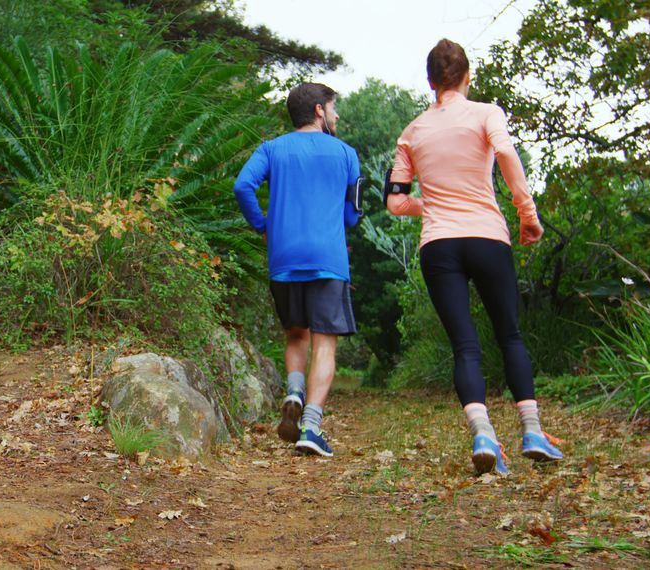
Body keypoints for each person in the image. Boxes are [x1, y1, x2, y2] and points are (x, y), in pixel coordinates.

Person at [386, 39, 564, 475]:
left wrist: (436, 205)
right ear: (468, 77)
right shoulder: (487, 113)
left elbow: (395, 201)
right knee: (510, 336)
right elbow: (505, 153)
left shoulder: (411, 132)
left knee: (465, 346)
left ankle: (483, 434)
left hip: (439, 246)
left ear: (430, 82)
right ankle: (531, 431)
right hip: (487, 236)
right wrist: (527, 213)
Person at [234, 83, 361, 456]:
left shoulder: (272, 148)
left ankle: (293, 391)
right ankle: (311, 426)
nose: (337, 116)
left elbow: (243, 185)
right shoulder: (346, 154)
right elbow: (352, 214)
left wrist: (263, 224)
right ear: (319, 111)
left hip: (284, 258)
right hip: (328, 258)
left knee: (295, 334)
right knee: (324, 342)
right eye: (334, 109)